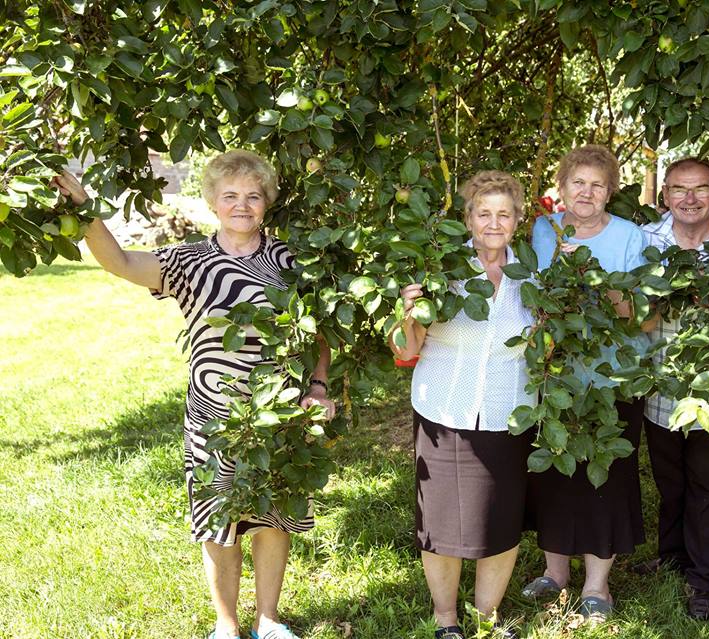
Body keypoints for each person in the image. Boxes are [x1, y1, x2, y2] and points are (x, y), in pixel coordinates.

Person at [53, 150, 335, 639]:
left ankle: (269, 620)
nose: (242, 205)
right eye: (230, 196)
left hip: (282, 410)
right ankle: (226, 625)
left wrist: (318, 386)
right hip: (214, 412)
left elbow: (320, 334)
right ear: (212, 202)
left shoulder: (293, 262)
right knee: (219, 521)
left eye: (253, 195)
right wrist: (84, 207)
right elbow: (119, 262)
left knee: (273, 518)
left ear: (267, 202)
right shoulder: (189, 260)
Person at [390, 171, 535, 639]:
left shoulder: (530, 277)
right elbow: (406, 349)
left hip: (508, 410)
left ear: (517, 221)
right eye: (483, 213)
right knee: (441, 521)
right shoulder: (443, 273)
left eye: (504, 214)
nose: (494, 223)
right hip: (444, 409)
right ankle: (446, 619)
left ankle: (487, 619)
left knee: (502, 517)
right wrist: (408, 313)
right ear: (468, 219)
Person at [522, 145, 648, 620]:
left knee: (607, 479)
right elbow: (530, 297)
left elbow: (635, 313)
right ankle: (555, 573)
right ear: (562, 188)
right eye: (578, 183)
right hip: (553, 374)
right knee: (553, 473)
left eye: (597, 185)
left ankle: (597, 584)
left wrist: (590, 276)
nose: (587, 192)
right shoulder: (541, 230)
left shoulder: (630, 237)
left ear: (610, 192)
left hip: (612, 378)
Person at [638, 157, 709, 621]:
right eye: (679, 189)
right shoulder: (646, 242)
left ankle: (704, 579)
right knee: (671, 481)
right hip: (659, 384)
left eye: (700, 188)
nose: (689, 198)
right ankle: (673, 554)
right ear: (665, 195)